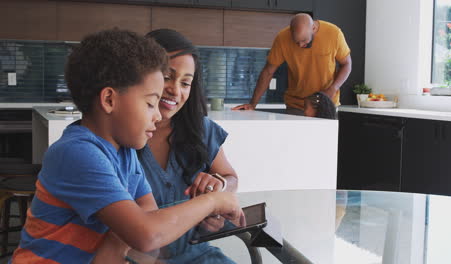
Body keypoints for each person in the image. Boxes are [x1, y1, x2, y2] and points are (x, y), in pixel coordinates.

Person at [9, 29, 241, 264]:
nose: (158, 116)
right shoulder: (77, 153)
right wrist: (211, 201)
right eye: (151, 103)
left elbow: (145, 218)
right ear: (109, 100)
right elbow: (146, 234)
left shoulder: (125, 152)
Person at [135, 28, 238, 264]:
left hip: (196, 254)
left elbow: (230, 178)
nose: (175, 90)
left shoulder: (199, 128)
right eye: (167, 76)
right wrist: (208, 204)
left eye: (186, 82)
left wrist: (218, 188)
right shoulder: (122, 136)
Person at [232, 13, 352, 115]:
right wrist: (253, 104)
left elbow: (346, 64)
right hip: (296, 105)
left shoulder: (333, 34)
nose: (300, 45)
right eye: (297, 42)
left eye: (304, 40)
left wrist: (333, 88)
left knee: (324, 142)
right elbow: (268, 71)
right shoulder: (282, 38)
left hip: (326, 103)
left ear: (314, 28)